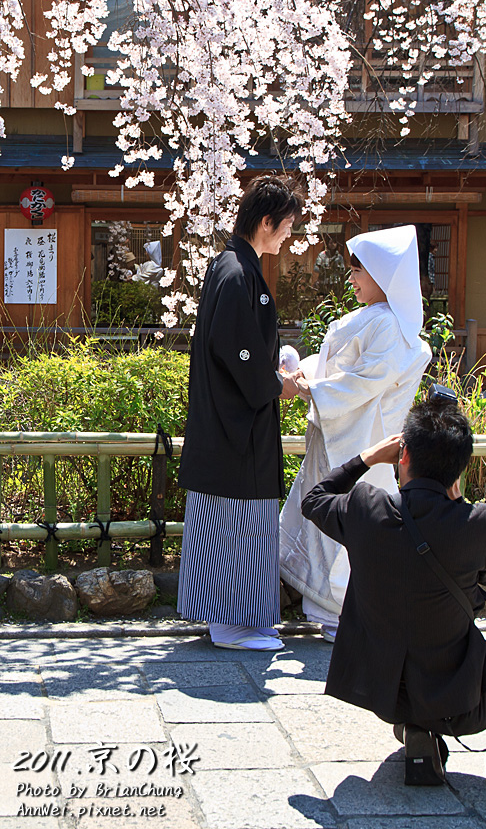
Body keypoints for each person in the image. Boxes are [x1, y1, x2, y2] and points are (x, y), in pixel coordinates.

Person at [300, 394, 486, 787]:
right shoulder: (475, 522)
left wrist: (367, 457)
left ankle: (416, 726)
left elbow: (313, 499)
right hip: (460, 705)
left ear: (402, 457)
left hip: (385, 696)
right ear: (460, 466)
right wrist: (460, 504)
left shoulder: (365, 509)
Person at [279, 225, 432, 641]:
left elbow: (363, 381)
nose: (351, 279)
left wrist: (309, 385)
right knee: (341, 519)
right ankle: (335, 610)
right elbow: (344, 369)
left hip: (361, 438)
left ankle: (342, 610)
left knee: (345, 522)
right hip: (348, 432)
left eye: (358, 271)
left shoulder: (387, 325)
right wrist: (303, 373)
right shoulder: (386, 322)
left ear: (382, 276)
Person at [177, 175, 303, 651]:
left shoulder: (235, 267)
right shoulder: (235, 272)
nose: (290, 235)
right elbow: (237, 352)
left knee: (235, 527)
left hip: (231, 428)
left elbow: (244, 346)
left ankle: (243, 619)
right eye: (287, 225)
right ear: (266, 222)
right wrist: (277, 383)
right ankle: (231, 624)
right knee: (234, 527)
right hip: (233, 432)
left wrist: (275, 369)